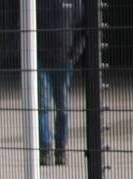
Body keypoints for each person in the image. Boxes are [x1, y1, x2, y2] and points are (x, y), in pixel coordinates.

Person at [36, 0, 86, 166]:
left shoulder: (74, 2)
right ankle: (46, 148)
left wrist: (75, 53)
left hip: (64, 61)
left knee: (62, 107)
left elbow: (81, 28)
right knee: (42, 106)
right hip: (41, 61)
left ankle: (61, 148)